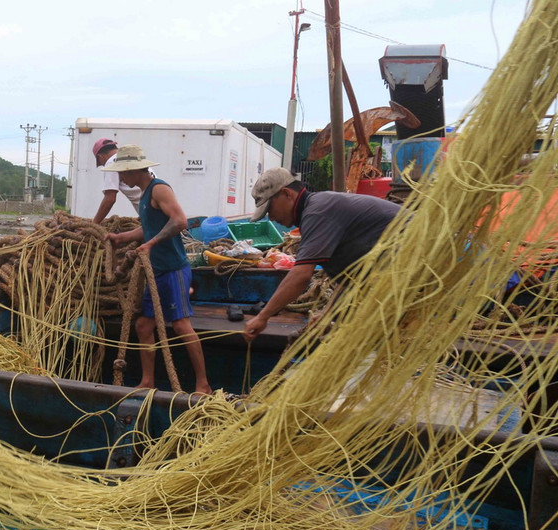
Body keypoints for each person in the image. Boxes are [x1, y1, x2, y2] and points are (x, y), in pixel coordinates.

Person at [242, 167, 401, 342]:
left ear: (287, 194)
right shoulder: (316, 210)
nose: (270, 217)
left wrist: (263, 317)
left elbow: (300, 276)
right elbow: (352, 276)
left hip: (415, 259)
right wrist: (329, 313)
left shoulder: (317, 212)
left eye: (269, 209)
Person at [102, 144, 212, 394]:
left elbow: (180, 221)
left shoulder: (159, 189)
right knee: (143, 325)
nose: (120, 177)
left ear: (133, 170)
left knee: (182, 326)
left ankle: (203, 384)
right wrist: (124, 237)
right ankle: (148, 381)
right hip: (158, 272)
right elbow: (149, 229)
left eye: (122, 172)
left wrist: (151, 244)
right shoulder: (144, 195)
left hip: (173, 269)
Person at [92, 138, 147, 224]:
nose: (122, 177)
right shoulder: (131, 158)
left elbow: (109, 199)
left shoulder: (111, 162)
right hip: (150, 212)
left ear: (100, 156)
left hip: (151, 214)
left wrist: (93, 224)